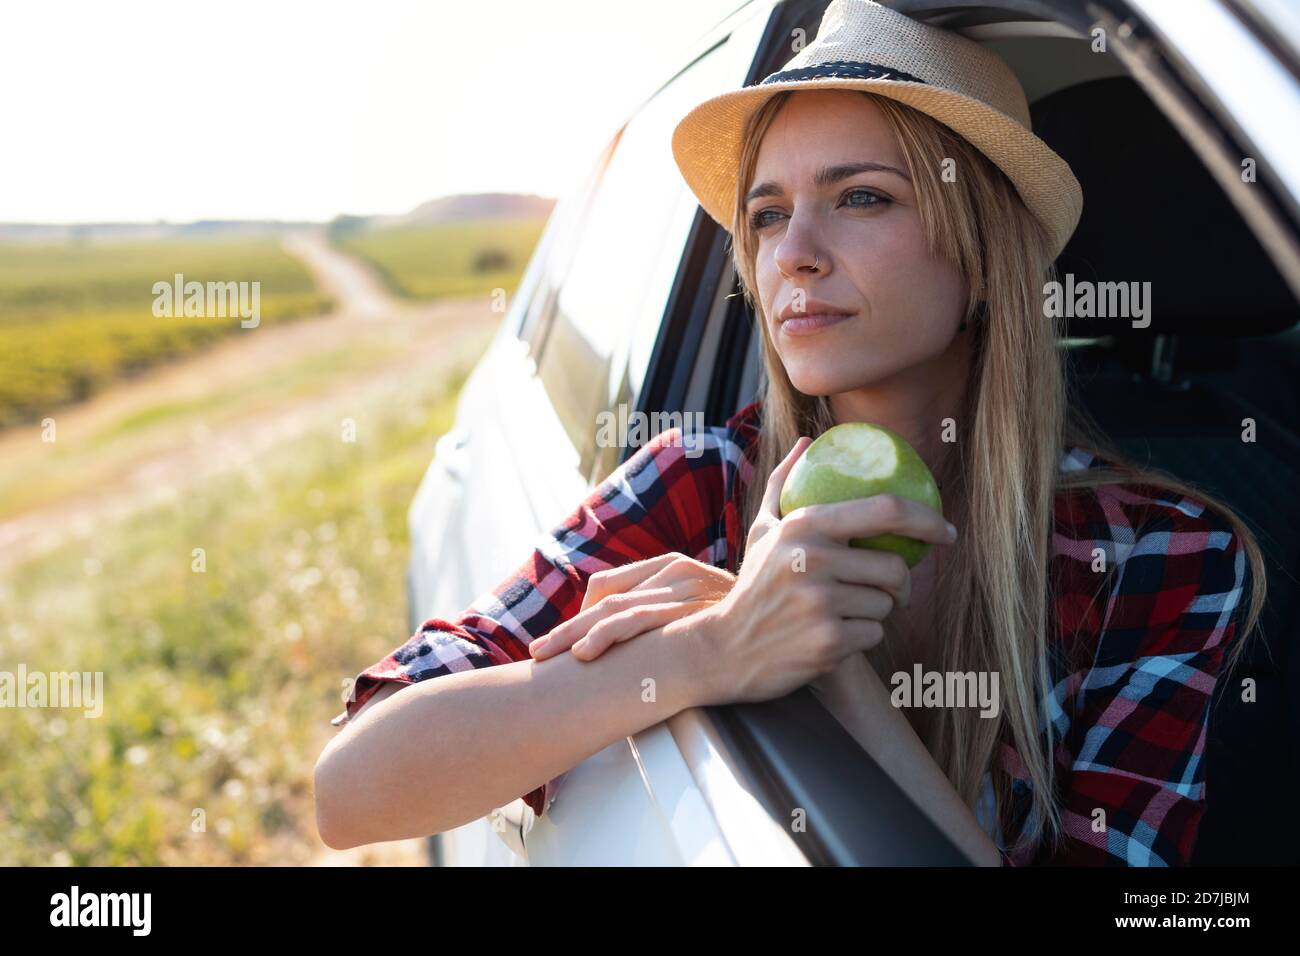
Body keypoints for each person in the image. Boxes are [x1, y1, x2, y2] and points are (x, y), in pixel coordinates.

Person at [314, 0, 1267, 866]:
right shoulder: (703, 482)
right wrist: (714, 649)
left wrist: (838, 680)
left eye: (861, 197)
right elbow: (351, 785)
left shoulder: (1158, 551)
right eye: (767, 215)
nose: (794, 255)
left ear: (983, 258)